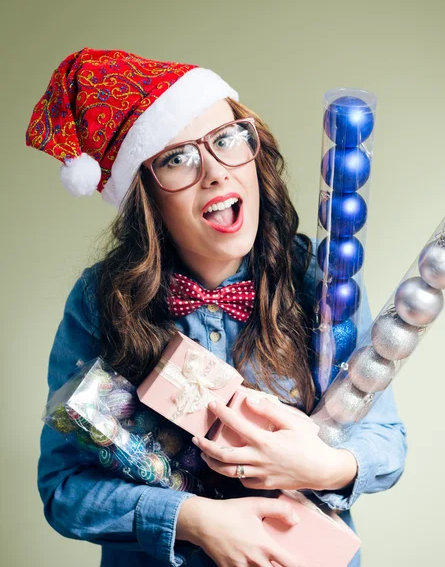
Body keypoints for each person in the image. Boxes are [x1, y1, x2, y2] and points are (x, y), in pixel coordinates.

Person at [27, 47, 408, 567]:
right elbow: (64, 491)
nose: (215, 172)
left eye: (228, 139)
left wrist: (324, 467)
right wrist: (195, 520)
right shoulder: (101, 300)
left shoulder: (321, 281)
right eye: (176, 158)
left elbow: (387, 440)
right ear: (145, 196)